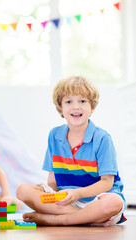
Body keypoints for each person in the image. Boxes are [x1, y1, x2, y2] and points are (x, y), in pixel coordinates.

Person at [16, 76, 126, 226]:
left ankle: (58, 220)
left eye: (82, 101)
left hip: (97, 198)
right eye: (69, 102)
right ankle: (86, 218)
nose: (76, 107)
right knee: (23, 190)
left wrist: (78, 194)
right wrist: (52, 196)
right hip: (66, 202)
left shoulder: (102, 138)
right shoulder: (54, 135)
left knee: (113, 202)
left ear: (92, 107)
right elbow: (53, 179)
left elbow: (107, 183)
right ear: (61, 108)